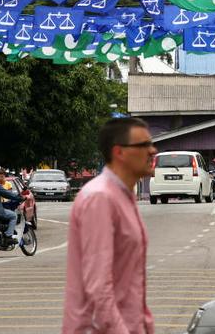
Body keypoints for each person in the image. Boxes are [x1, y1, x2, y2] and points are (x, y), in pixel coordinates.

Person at [63, 117, 157, 334]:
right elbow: (99, 287)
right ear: (119, 152)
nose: (153, 150)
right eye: (144, 145)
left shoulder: (122, 196)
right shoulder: (100, 198)